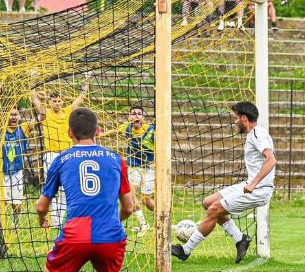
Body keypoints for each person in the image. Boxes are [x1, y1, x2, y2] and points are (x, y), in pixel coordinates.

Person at [36, 108, 134, 272]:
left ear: (69, 133)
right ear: (98, 131)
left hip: (76, 233)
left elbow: (41, 205)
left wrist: (42, 219)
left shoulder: (62, 159)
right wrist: (114, 221)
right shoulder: (115, 159)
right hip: (109, 234)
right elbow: (130, 207)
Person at [172, 102, 276, 263]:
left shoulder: (258, 134)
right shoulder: (253, 134)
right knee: (208, 202)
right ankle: (240, 239)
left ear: (244, 118)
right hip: (250, 184)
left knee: (214, 210)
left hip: (259, 190)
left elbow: (271, 160)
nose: (234, 122)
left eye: (235, 118)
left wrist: (254, 183)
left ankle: (185, 250)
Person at [32, 82, 89, 227]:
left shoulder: (68, 111)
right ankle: (47, 216)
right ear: (50, 102)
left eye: (59, 100)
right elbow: (33, 98)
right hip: (50, 155)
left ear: (62, 101)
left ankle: (57, 221)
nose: (57, 103)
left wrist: (86, 80)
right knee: (50, 187)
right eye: (54, 100)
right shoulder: (45, 113)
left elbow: (81, 98)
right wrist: (32, 83)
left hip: (66, 155)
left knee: (65, 189)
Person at [0, 84, 36, 224]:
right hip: (0, 172)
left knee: (16, 204)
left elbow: (42, 116)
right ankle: (1, 226)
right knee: (1, 202)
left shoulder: (24, 128)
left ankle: (15, 223)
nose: (13, 117)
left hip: (17, 172)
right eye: (10, 114)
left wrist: (33, 93)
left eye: (15, 114)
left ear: (19, 116)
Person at [100, 106, 156, 237]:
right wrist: (100, 135)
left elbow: (161, 147)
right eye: (133, 114)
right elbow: (114, 132)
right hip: (134, 167)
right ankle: (143, 224)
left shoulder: (151, 131)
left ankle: (164, 219)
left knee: (146, 200)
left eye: (139, 114)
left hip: (149, 169)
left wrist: (157, 162)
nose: (136, 116)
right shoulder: (127, 127)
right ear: (130, 117)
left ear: (143, 117)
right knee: (130, 193)